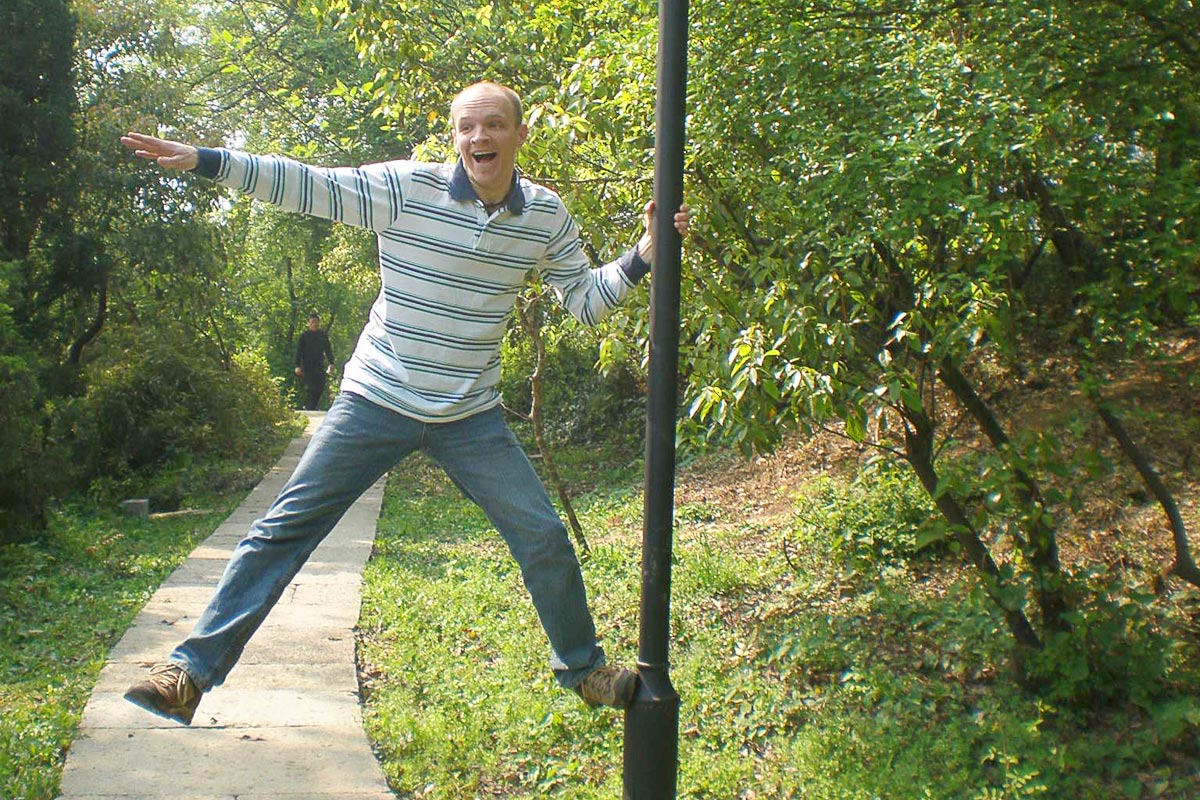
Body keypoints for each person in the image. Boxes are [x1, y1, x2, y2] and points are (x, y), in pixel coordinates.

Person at [118, 80, 691, 725]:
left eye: (496, 126)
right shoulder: (406, 190)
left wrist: (643, 257)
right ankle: (189, 673)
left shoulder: (544, 216)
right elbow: (309, 184)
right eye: (468, 127)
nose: (481, 138)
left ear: (520, 135)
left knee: (543, 536)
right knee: (283, 529)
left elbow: (584, 298)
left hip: (470, 416)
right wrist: (207, 159)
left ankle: (584, 671)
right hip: (377, 398)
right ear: (455, 137)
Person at [295, 312, 335, 410]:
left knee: (320, 386)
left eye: (316, 322)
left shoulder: (323, 335)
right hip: (307, 366)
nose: (315, 324)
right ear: (308, 323)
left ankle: (311, 407)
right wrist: (297, 366)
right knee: (311, 388)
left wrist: (331, 363)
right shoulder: (304, 336)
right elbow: (298, 351)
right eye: (312, 322)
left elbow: (328, 349)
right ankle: (310, 408)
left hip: (319, 365)